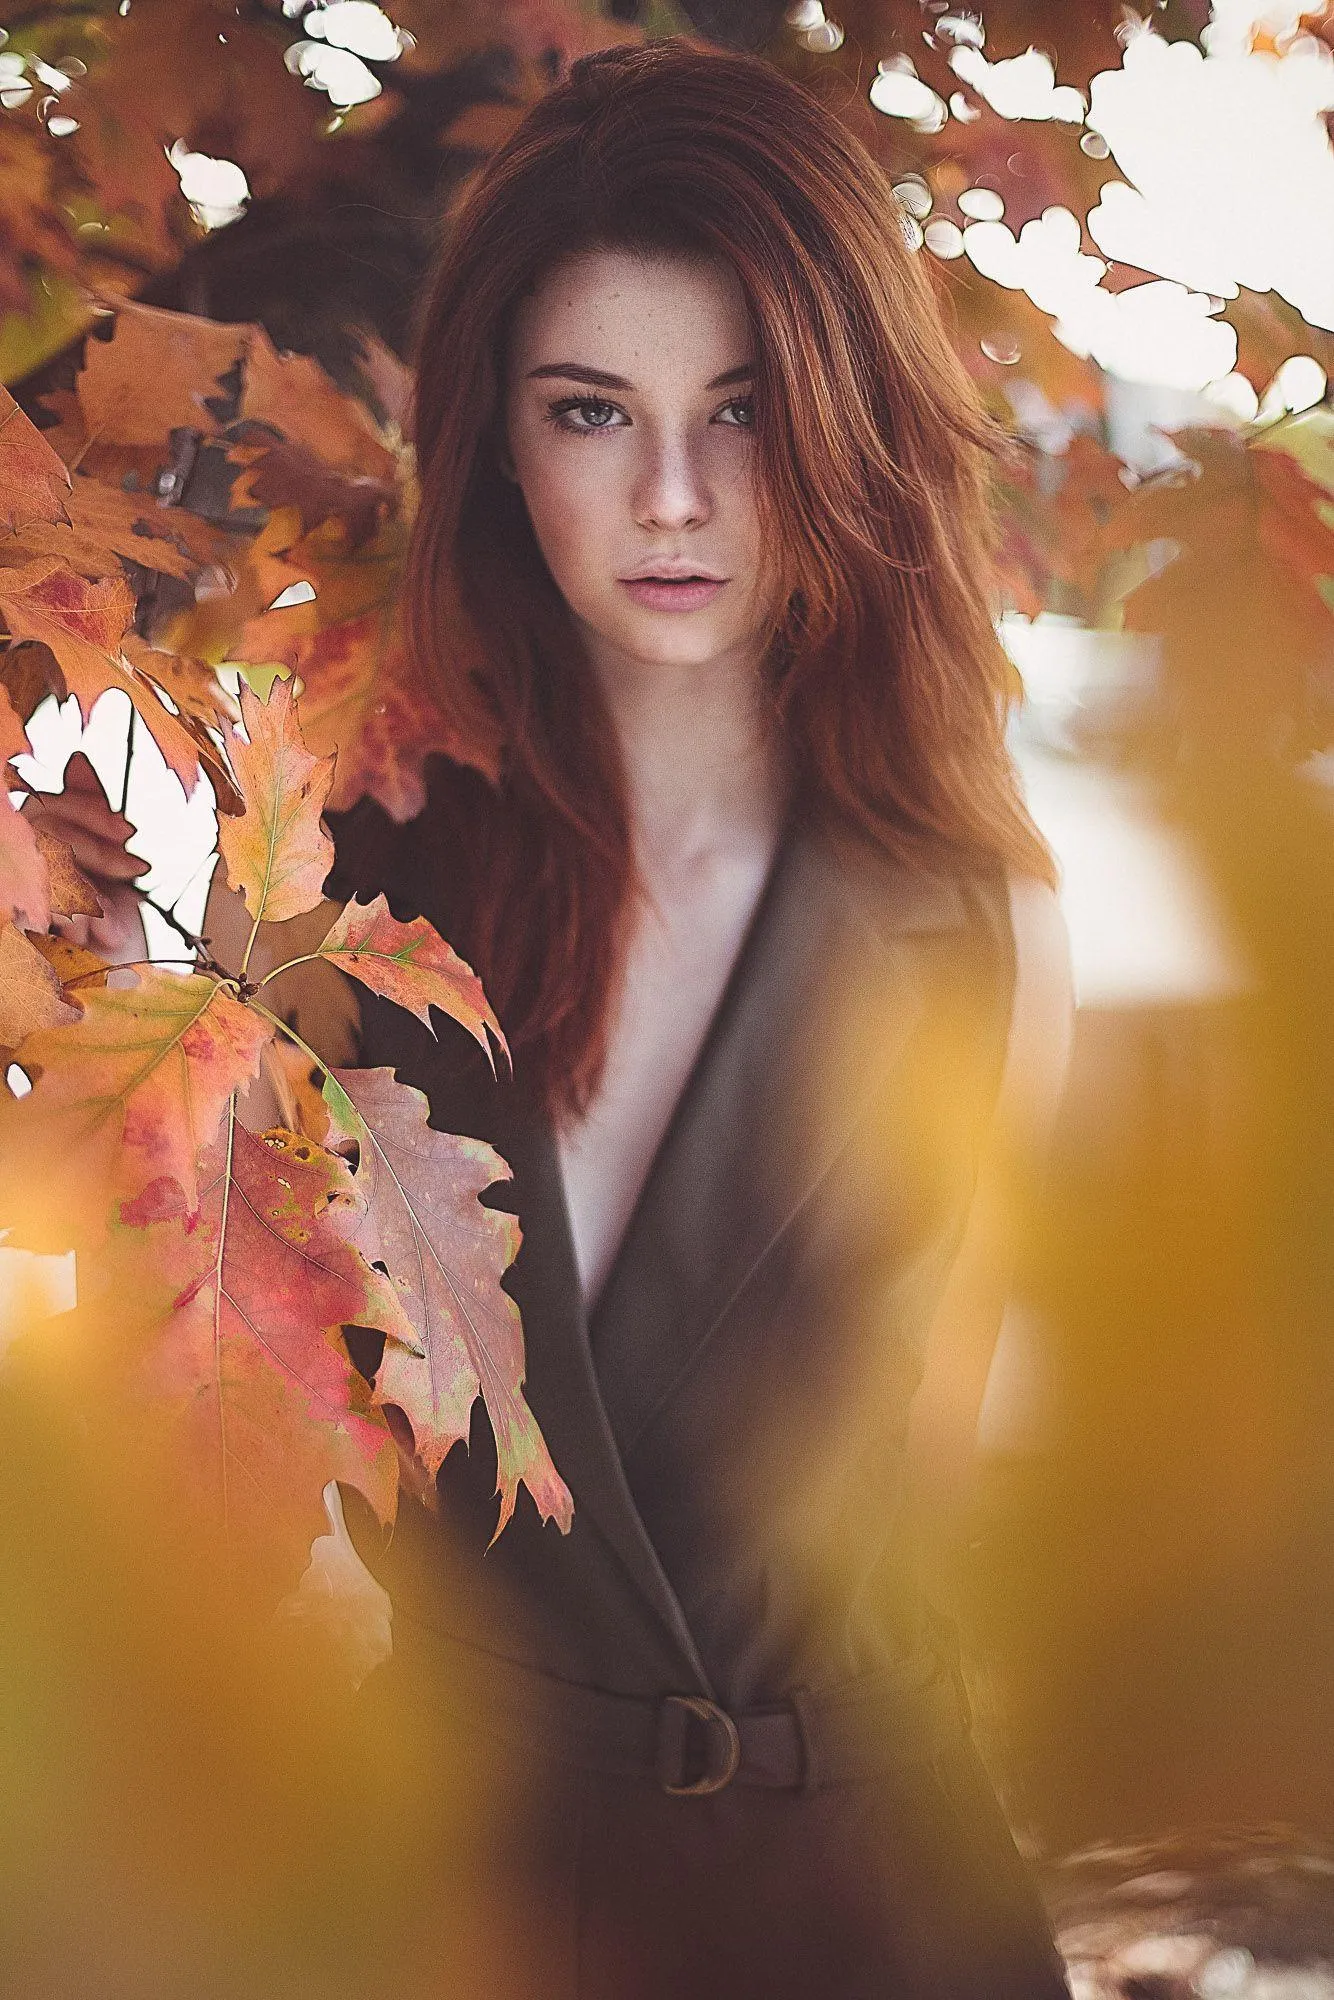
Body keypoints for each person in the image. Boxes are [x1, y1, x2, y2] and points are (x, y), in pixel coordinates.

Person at [34, 37, 1076, 2000]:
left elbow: (920, 1497)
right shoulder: (346, 870)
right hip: (468, 1902)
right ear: (497, 441)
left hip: (867, 1901)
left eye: (742, 411)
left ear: (843, 418)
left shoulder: (974, 912)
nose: (672, 497)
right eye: (592, 411)